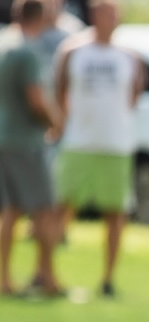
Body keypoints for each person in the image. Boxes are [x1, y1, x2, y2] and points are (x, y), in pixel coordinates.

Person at [53, 0, 141, 297]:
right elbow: (60, 91)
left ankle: (107, 279)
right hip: (78, 141)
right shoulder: (72, 51)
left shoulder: (129, 56)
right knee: (62, 206)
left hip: (116, 144)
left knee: (115, 212)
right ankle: (46, 272)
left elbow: (134, 96)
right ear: (94, 15)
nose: (110, 18)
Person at [0, 0, 61, 297]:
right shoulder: (28, 50)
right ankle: (47, 278)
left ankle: (3, 279)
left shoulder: (2, 44)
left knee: (10, 211)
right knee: (45, 210)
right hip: (26, 141)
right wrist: (56, 122)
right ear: (42, 15)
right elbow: (36, 100)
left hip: (3, 137)